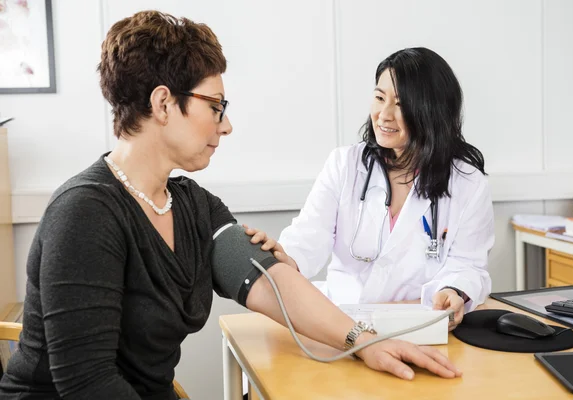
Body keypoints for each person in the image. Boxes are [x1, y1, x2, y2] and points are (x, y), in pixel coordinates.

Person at [0, 12, 462, 400]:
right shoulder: (85, 214)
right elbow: (87, 384)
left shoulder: (194, 207)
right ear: (164, 103)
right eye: (216, 106)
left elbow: (271, 281)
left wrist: (365, 342)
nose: (226, 125)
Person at [245, 47, 494, 331]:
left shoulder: (468, 184)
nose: (383, 115)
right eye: (379, 98)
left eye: (400, 104)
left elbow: (468, 265)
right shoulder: (345, 164)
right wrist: (285, 258)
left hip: (418, 325)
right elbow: (309, 235)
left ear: (432, 110)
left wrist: (453, 290)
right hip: (341, 322)